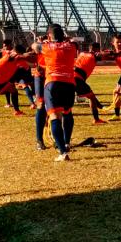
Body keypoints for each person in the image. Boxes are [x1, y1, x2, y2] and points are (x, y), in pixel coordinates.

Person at [33, 24, 79, 162]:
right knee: (67, 112)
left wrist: (42, 41)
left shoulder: (46, 47)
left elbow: (34, 46)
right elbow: (73, 42)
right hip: (69, 83)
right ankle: (66, 142)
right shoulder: (72, 46)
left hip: (52, 82)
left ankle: (63, 152)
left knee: (54, 116)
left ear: (49, 35)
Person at [75, 42, 106, 124]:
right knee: (91, 97)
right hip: (77, 79)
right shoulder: (94, 55)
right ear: (97, 49)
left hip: (69, 77)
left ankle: (48, 120)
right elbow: (101, 56)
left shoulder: (82, 53)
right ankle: (96, 119)